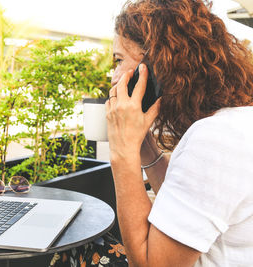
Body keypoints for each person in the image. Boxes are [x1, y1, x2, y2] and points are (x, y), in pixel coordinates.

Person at [106, 0, 253, 266]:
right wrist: (144, 148)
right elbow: (182, 206)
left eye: (118, 61)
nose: (114, 77)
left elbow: (151, 263)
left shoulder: (215, 139)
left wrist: (122, 153)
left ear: (158, 66)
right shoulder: (233, 124)